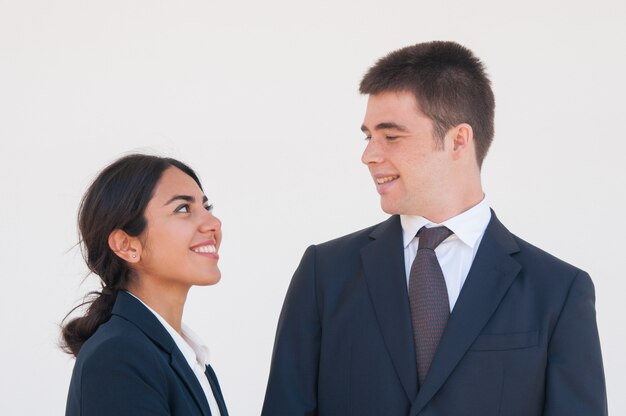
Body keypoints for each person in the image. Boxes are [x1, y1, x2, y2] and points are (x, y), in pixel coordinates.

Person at [262, 41, 607, 415]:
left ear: (458, 140)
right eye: (368, 136)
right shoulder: (324, 274)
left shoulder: (557, 291)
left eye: (391, 136)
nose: (369, 156)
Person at [62, 154, 229, 416]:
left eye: (206, 207)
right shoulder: (117, 357)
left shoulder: (189, 358)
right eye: (183, 209)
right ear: (126, 245)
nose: (213, 223)